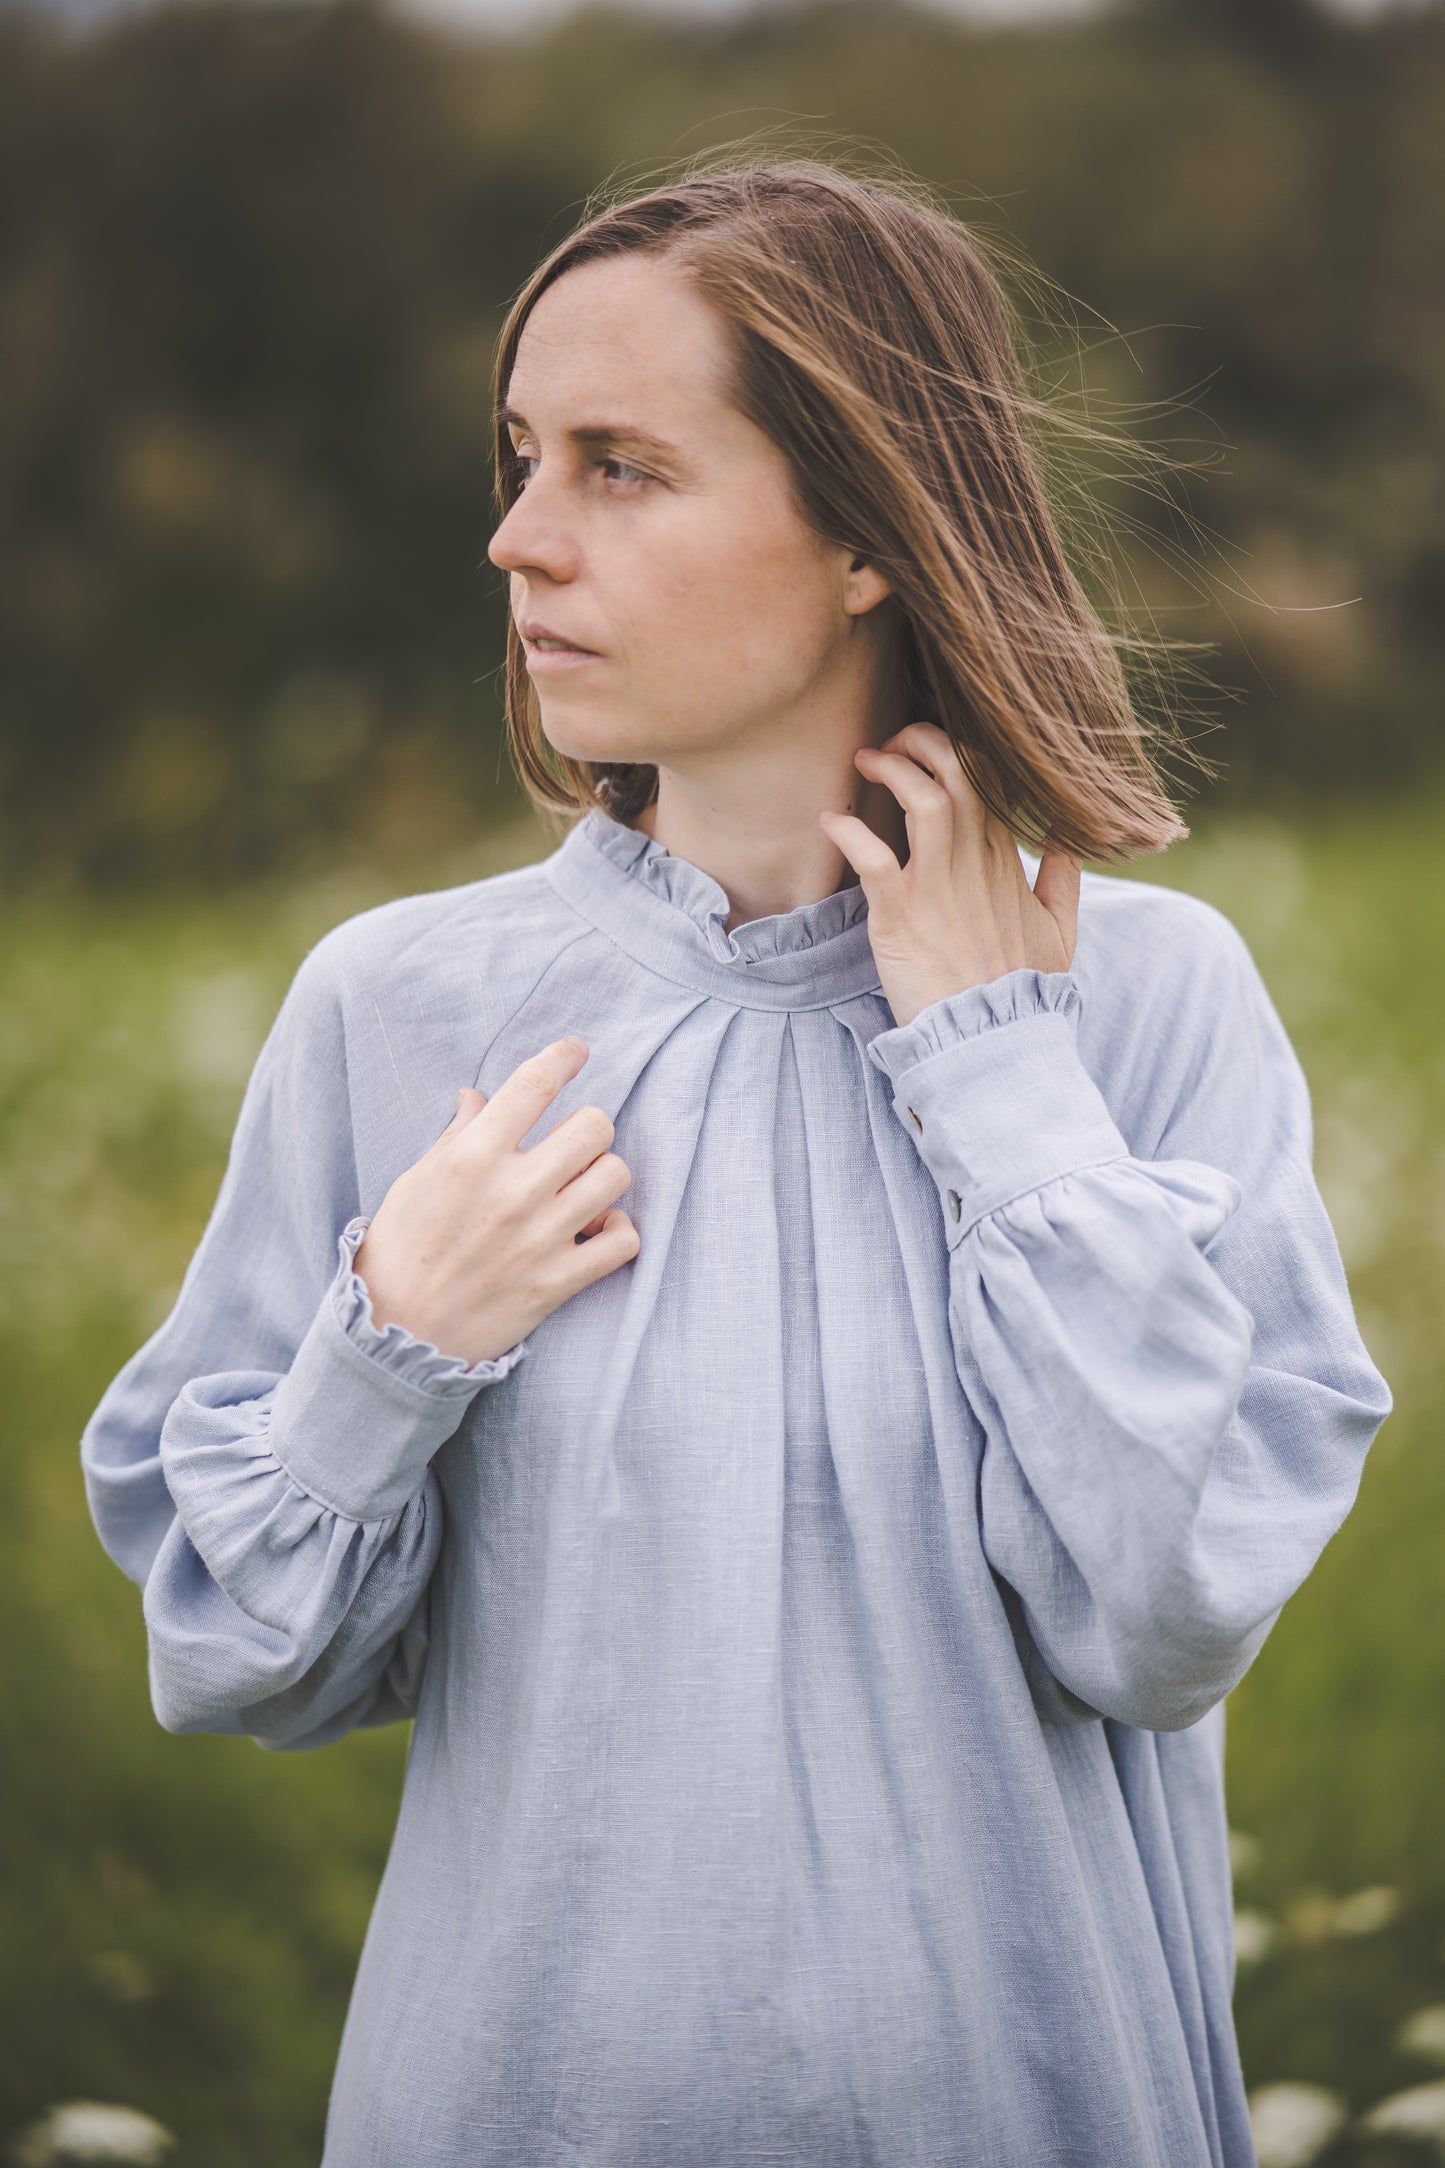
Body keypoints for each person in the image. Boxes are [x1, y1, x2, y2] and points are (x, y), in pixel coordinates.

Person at [80, 160, 1390, 2167]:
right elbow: (235, 1664)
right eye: (521, 457)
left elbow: (1160, 1618)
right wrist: (387, 1347)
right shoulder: (401, 1014)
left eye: (621, 468)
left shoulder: (1149, 1010)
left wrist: (1005, 1092)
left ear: (870, 529)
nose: (517, 539)